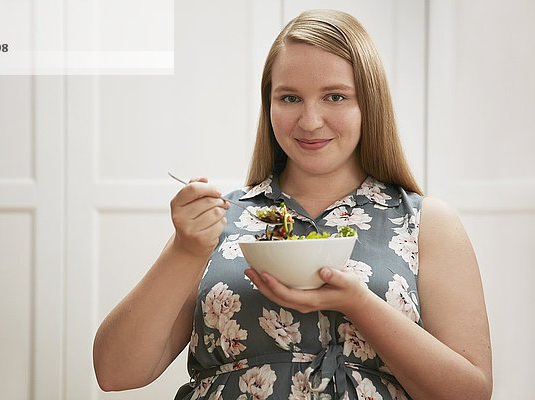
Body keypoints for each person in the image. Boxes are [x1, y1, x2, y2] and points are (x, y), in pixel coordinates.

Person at [93, 9, 493, 400]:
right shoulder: (218, 219)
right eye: (290, 98)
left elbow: (469, 393)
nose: (310, 121)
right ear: (268, 105)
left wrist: (357, 302)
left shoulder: (426, 222)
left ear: (369, 104)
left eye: (335, 96)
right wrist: (185, 250)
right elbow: (115, 373)